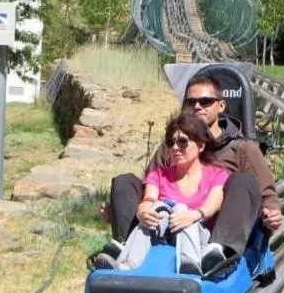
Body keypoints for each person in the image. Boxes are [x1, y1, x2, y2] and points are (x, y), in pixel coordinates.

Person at [99, 73, 283, 274]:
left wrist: (271, 212)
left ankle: (219, 253)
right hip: (166, 225)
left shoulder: (243, 149)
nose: (197, 107)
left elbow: (266, 193)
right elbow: (149, 186)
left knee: (242, 181)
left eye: (205, 102)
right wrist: (119, 209)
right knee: (125, 181)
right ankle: (125, 246)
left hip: (212, 228)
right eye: (191, 102)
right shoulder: (172, 147)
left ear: (221, 106)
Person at [92, 112, 228, 275]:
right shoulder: (158, 174)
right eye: (171, 143)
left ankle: (190, 263)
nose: (175, 148)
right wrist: (143, 211)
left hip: (197, 233)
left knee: (181, 210)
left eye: (183, 142)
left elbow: (213, 204)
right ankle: (127, 264)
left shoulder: (217, 175)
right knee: (158, 208)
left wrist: (193, 215)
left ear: (200, 145)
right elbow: (149, 197)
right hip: (163, 232)